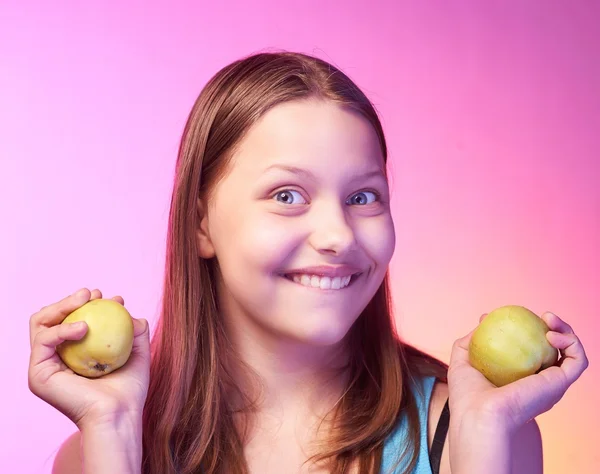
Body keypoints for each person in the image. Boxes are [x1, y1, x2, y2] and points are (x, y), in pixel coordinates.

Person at [28, 51, 588, 474]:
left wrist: (483, 443)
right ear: (202, 223)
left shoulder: (478, 433)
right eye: (287, 195)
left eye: (363, 197)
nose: (338, 234)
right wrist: (112, 431)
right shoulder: (105, 450)